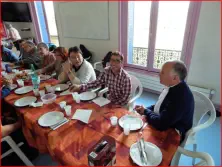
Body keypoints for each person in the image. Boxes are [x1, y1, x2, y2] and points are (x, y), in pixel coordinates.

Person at [135, 60, 194, 142]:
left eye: (162, 72)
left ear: (175, 78)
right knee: (137, 129)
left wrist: (146, 111)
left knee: (140, 137)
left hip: (175, 131)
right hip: (166, 121)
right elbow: (161, 106)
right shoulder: (173, 86)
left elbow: (161, 124)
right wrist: (145, 109)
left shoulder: (180, 97)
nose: (159, 74)